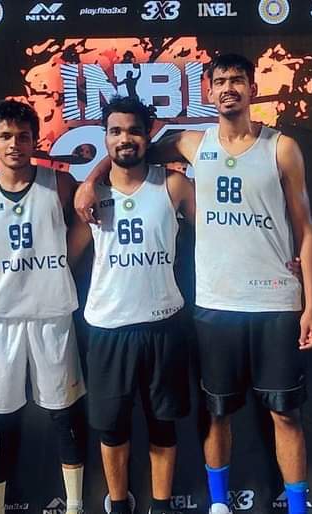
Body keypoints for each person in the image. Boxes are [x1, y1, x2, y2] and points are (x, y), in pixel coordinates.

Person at [75, 53, 312, 514]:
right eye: (221, 81)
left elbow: (305, 228)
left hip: (275, 300)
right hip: (215, 304)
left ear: (252, 89)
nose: (229, 88)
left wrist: (310, 306)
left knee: (286, 413)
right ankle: (219, 504)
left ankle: (297, 508)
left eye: (238, 80)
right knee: (217, 412)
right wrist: (90, 180)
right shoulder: (191, 143)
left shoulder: (282, 147)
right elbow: (129, 151)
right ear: (208, 90)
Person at [67, 96, 195, 514]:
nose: (125, 139)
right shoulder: (91, 196)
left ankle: (161, 506)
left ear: (147, 135)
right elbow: (67, 257)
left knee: (163, 425)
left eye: (134, 131)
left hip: (163, 323)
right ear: (105, 137)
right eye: (116, 131)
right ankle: (118, 505)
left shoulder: (173, 185)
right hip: (108, 327)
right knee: (112, 429)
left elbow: (217, 236)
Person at [0, 100, 88, 514]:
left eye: (23, 136)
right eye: (6, 136)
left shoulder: (61, 184)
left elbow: (84, 227)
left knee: (64, 411)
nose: (14, 144)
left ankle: (75, 505)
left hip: (52, 311)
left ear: (35, 141)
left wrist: (61, 263)